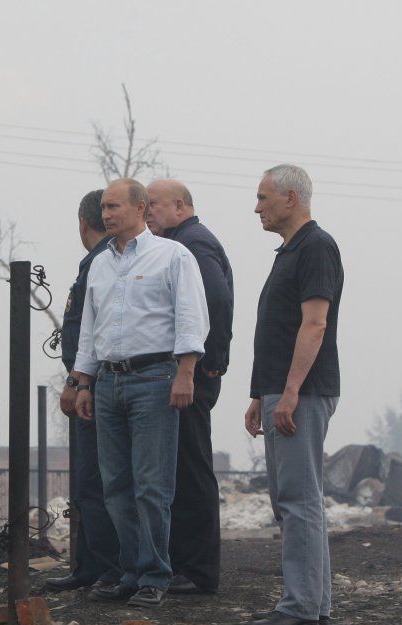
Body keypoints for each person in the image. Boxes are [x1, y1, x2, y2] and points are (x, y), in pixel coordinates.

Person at [73, 178, 210, 608]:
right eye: (103, 208)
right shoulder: (100, 264)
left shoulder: (172, 256)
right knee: (115, 484)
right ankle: (130, 571)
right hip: (110, 380)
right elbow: (89, 330)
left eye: (114, 206)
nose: (106, 214)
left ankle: (155, 574)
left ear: (140, 208)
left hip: (154, 378)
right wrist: (82, 381)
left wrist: (185, 372)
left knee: (151, 485)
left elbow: (191, 315)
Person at [244, 164, 343, 625]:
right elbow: (276, 327)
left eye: (264, 197)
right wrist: (258, 394)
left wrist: (289, 393)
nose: (257, 206)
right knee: (296, 500)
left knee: (298, 501)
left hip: (300, 393)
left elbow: (314, 323)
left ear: (291, 197)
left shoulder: (316, 247)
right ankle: (312, 605)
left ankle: (301, 607)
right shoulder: (289, 251)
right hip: (280, 392)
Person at [146, 179, 233, 595]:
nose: (147, 213)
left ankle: (197, 571)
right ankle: (185, 565)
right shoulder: (182, 242)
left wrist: (206, 364)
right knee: (180, 468)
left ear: (179, 206)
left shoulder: (193, 244)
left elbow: (213, 300)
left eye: (153, 206)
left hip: (192, 374)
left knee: (191, 469)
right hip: (191, 371)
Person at [48, 189, 122, 591]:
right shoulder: (98, 264)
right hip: (90, 383)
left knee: (95, 482)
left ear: (82, 223)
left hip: (92, 387)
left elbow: (90, 335)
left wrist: (78, 382)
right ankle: (90, 565)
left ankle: (106, 567)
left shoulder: (101, 265)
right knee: (89, 482)